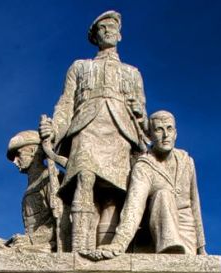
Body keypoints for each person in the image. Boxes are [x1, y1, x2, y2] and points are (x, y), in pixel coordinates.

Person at [39, 10, 147, 252]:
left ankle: (107, 252)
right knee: (84, 179)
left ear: (120, 35)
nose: (108, 31)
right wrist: (54, 130)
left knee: (114, 196)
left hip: (121, 132)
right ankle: (79, 248)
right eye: (103, 28)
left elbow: (143, 116)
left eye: (113, 27)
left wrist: (140, 115)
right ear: (95, 36)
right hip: (85, 128)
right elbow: (66, 104)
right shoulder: (79, 67)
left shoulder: (133, 73)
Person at [88, 110, 207, 259]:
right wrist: (119, 243)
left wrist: (201, 248)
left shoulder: (187, 161)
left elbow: (195, 204)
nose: (165, 136)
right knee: (163, 194)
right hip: (158, 234)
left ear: (175, 133)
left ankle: (179, 249)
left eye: (169, 129)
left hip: (186, 231)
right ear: (150, 136)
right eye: (159, 130)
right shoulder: (144, 166)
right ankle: (170, 248)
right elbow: (134, 207)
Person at [0, 130, 67, 261]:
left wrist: (31, 240)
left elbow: (63, 222)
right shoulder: (31, 186)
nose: (15, 161)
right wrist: (7, 241)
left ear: (33, 151)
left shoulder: (52, 179)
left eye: (18, 154)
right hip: (27, 244)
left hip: (45, 247)